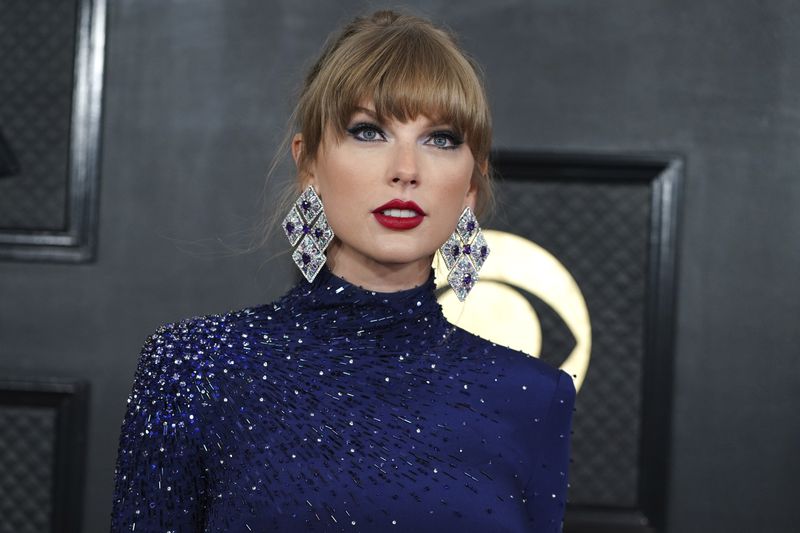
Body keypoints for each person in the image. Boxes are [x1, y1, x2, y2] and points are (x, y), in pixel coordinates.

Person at [110, 9, 575, 533]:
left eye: (441, 138)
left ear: (471, 183)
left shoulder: (534, 396)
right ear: (308, 164)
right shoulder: (194, 367)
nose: (406, 169)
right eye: (369, 131)